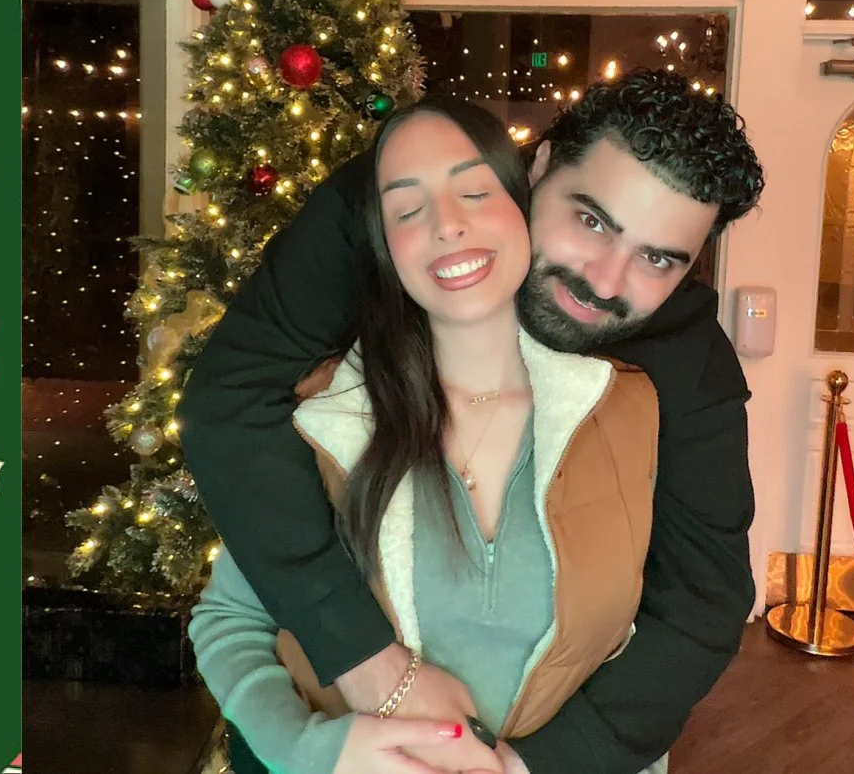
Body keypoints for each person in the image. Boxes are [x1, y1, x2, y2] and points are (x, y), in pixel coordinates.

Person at [183, 72, 766, 774]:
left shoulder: (675, 373)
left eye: (658, 257)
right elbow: (228, 403)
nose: (605, 282)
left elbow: (705, 600)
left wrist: (535, 766)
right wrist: (358, 683)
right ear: (538, 166)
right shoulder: (367, 275)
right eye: (590, 220)